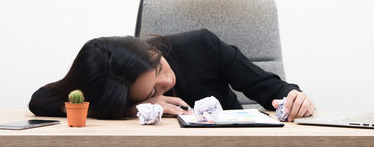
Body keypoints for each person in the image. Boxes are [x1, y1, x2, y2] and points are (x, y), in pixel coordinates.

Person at [29, 29, 315, 121]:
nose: (167, 82)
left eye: (159, 68)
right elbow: (40, 100)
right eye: (152, 90)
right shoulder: (109, 78)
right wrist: (131, 109)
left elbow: (271, 89)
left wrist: (294, 98)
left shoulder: (203, 45)